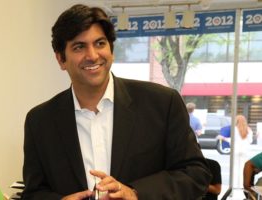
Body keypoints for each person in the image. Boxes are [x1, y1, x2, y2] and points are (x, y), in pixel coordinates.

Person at [21, 4, 211, 200]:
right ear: (61, 59)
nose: (93, 55)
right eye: (79, 47)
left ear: (111, 50)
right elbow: (33, 192)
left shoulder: (162, 104)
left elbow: (196, 174)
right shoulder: (40, 121)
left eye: (100, 43)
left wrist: (135, 193)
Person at [217, 114, 253, 189]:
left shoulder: (234, 129)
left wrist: (224, 138)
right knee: (243, 168)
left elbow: (232, 140)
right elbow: (250, 141)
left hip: (236, 150)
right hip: (245, 150)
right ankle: (241, 184)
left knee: (235, 167)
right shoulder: (249, 129)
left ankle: (235, 185)